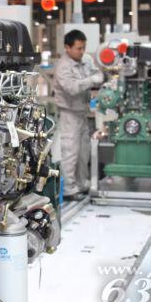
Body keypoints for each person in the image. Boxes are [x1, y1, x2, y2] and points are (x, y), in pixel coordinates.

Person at [53, 30, 103, 201]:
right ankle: (69, 189)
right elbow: (72, 88)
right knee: (70, 152)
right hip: (69, 115)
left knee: (84, 152)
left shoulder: (86, 59)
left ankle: (82, 184)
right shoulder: (63, 67)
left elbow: (99, 74)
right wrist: (91, 80)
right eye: (78, 48)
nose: (82, 52)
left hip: (82, 113)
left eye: (83, 48)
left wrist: (96, 78)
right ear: (67, 47)